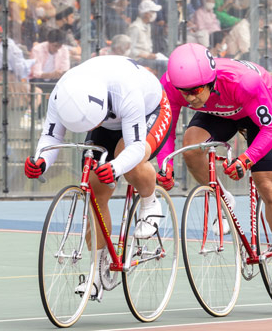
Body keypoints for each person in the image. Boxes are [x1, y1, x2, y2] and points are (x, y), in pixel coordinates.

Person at [24, 55, 173, 300]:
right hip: (102, 120)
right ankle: (97, 271)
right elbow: (52, 137)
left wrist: (115, 167)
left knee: (128, 160)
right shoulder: (63, 94)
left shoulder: (126, 90)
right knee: (95, 190)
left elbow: (135, 147)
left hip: (150, 110)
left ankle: (150, 201)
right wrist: (41, 161)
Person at [156, 43, 272, 290]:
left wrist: (247, 158)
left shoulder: (245, 82)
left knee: (266, 183)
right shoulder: (173, 86)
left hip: (251, 106)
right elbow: (166, 131)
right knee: (191, 147)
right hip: (219, 111)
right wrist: (163, 163)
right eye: (183, 92)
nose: (189, 98)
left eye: (195, 90)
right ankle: (222, 196)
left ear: (210, 81)